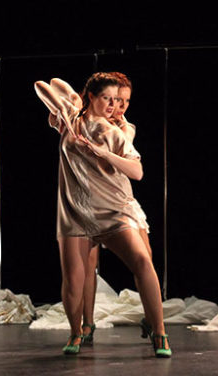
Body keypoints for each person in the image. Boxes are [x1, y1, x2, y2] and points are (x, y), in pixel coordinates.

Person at [34, 72, 171, 357]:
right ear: (91, 97)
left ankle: (158, 331)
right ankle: (78, 331)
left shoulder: (116, 131)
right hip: (76, 211)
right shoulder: (71, 121)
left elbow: (137, 171)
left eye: (118, 100)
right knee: (75, 278)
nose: (114, 105)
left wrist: (103, 153)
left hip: (113, 208)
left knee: (143, 260)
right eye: (108, 99)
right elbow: (45, 86)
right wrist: (71, 104)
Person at [78, 73, 154, 344]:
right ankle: (87, 324)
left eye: (125, 101)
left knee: (144, 259)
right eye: (115, 100)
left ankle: (151, 319)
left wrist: (123, 132)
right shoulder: (87, 123)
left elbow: (131, 166)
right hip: (90, 201)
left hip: (120, 201)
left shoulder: (125, 128)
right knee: (88, 265)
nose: (120, 106)